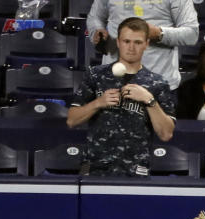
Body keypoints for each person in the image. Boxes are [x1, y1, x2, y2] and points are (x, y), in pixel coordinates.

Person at [67, 18, 175, 177]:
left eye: (137, 42)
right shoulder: (95, 75)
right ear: (118, 42)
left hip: (135, 171)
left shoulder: (157, 83)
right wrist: (98, 103)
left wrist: (149, 100)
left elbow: (166, 134)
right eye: (126, 41)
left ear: (146, 44)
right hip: (96, 168)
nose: (131, 47)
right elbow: (71, 120)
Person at [87, 0, 199, 91]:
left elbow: (192, 34)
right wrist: (97, 31)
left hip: (158, 87)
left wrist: (159, 33)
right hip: (113, 83)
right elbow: (95, 18)